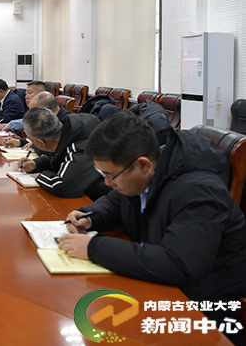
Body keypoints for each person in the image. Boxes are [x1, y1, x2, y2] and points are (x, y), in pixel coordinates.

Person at [58, 113, 246, 345]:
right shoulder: (149, 171)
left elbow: (179, 264)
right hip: (161, 283)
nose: (107, 183)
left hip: (203, 306)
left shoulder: (198, 191)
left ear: (143, 165)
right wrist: (89, 216)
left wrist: (94, 247)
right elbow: (117, 201)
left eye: (110, 176)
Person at [19, 107, 110, 200]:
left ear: (41, 142)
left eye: (30, 139)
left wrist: (41, 177)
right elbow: (59, 157)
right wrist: (36, 164)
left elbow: (65, 187)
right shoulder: (68, 131)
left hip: (102, 198)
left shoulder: (81, 147)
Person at [4, 91, 75, 149]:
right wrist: (19, 142)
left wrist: (35, 145)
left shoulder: (70, 124)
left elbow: (56, 150)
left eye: (35, 113)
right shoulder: (47, 119)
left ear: (48, 111)